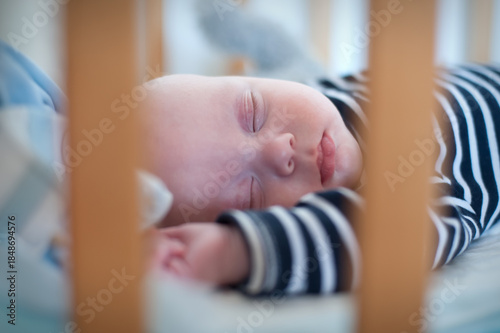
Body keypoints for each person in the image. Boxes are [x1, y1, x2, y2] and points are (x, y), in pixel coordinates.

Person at [146, 64, 500, 295]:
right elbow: (392, 238)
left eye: (253, 113)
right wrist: (232, 249)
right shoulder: (426, 177)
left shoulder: (321, 95)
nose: (278, 152)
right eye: (249, 197)